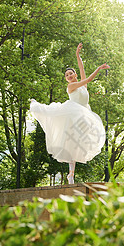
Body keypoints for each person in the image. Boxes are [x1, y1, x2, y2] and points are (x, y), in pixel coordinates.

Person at [30, 43, 109, 184]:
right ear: (67, 79)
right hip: (73, 114)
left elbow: (82, 69)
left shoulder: (83, 86)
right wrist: (98, 69)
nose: (69, 76)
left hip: (84, 115)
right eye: (67, 75)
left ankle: (71, 173)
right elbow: (89, 79)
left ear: (75, 75)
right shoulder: (71, 86)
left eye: (71, 73)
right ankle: (71, 174)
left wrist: (77, 55)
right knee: (70, 143)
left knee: (78, 143)